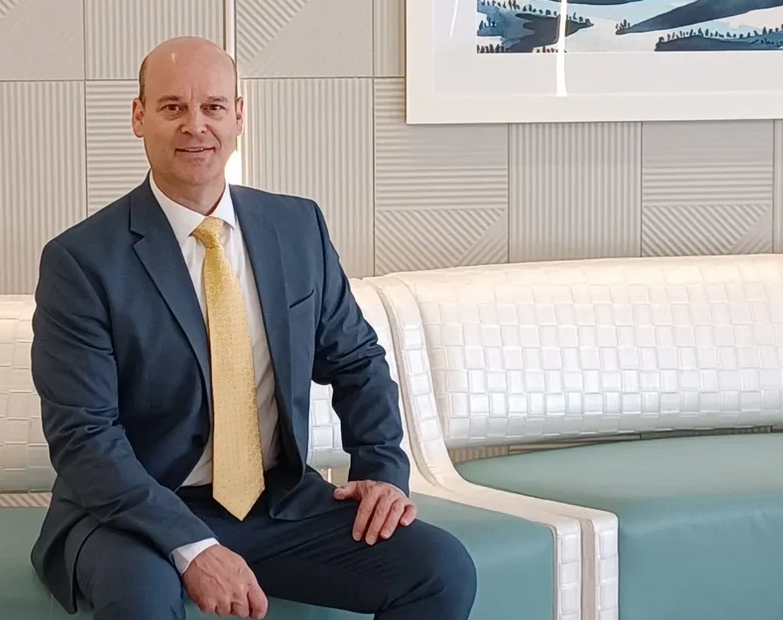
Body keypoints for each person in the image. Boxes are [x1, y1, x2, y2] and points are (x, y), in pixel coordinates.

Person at [28, 36, 477, 620]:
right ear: (139, 118)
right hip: (134, 512)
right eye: (173, 108)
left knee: (440, 571)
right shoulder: (82, 261)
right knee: (141, 601)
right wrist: (193, 548)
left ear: (239, 116)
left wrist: (381, 472)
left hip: (278, 502)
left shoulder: (296, 227)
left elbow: (355, 359)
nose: (196, 126)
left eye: (214, 107)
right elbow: (84, 437)